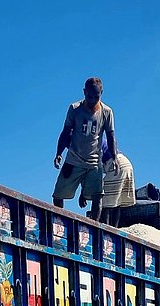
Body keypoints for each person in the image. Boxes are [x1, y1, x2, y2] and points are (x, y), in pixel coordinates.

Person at [53, 77, 117, 221]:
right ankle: (57, 223)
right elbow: (65, 132)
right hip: (74, 159)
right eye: (89, 96)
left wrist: (114, 157)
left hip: (94, 162)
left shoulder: (107, 112)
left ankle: (94, 228)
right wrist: (58, 153)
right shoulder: (75, 109)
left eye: (96, 96)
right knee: (58, 195)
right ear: (84, 92)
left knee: (97, 195)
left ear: (101, 93)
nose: (93, 99)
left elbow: (111, 135)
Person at [100, 150, 135, 226]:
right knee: (118, 201)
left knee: (104, 201)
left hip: (116, 163)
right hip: (126, 163)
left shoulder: (88, 144)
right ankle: (114, 229)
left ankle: (106, 229)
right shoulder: (99, 140)